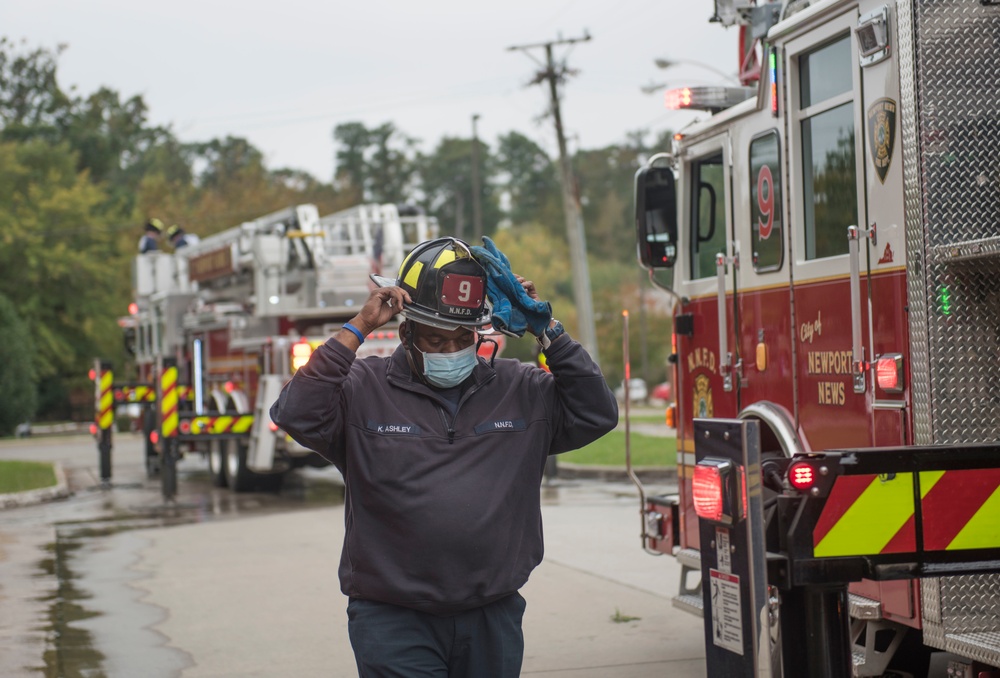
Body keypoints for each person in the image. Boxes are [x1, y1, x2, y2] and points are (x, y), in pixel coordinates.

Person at [269, 236, 618, 677]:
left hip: (492, 615)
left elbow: (598, 413)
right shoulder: (363, 389)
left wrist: (547, 330)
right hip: (393, 619)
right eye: (435, 340)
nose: (450, 352)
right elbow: (295, 413)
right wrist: (358, 326)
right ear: (406, 333)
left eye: (461, 340)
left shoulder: (520, 390)